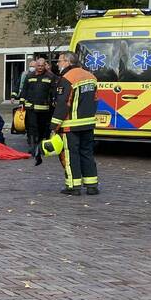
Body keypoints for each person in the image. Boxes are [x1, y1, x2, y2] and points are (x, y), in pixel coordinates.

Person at [51, 51, 99, 195]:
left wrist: (54, 126)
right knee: (87, 153)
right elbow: (95, 99)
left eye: (59, 61)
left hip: (70, 125)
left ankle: (73, 186)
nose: (58, 64)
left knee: (71, 155)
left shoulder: (67, 78)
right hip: (88, 123)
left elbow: (63, 104)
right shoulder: (91, 77)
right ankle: (92, 186)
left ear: (67, 61)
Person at [19, 57, 56, 152]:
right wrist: (21, 102)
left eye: (42, 66)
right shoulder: (30, 76)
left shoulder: (50, 77)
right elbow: (25, 89)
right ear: (35, 66)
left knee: (42, 127)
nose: (40, 67)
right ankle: (32, 146)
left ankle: (40, 146)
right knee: (31, 126)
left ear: (45, 66)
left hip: (44, 108)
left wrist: (53, 101)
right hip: (30, 107)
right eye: (38, 66)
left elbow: (53, 91)